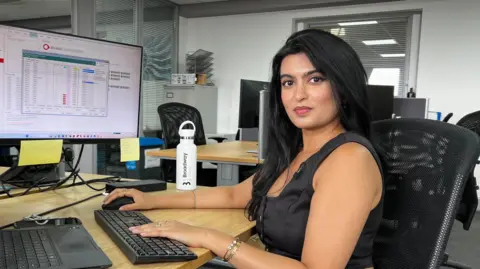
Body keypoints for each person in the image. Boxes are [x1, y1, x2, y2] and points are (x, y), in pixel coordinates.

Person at [104, 29, 384, 269]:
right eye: (288, 82)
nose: (298, 94)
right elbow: (232, 194)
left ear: (343, 89)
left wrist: (210, 237)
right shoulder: (296, 152)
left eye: (315, 79)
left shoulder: (349, 160)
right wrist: (151, 200)